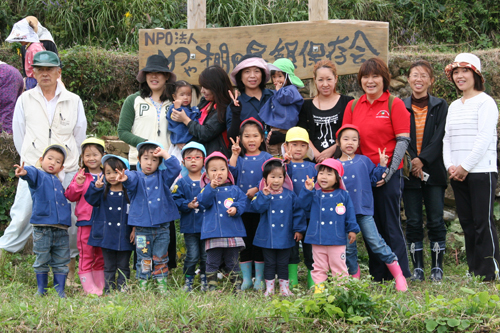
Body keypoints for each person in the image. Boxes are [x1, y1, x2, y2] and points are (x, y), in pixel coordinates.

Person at [2, 51, 87, 287]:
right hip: (33, 170)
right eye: (40, 69)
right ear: (34, 72)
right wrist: (33, 160)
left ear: (59, 72)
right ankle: (3, 260)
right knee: (22, 215)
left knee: (68, 219)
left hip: (66, 170)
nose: (45, 73)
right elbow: (20, 135)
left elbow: (79, 135)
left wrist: (68, 162)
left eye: (50, 69)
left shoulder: (73, 100)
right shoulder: (25, 99)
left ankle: (69, 270)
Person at [342, 57, 412, 282]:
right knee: (370, 225)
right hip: (362, 176)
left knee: (390, 222)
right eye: (365, 77)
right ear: (360, 80)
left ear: (385, 79)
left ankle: (400, 272)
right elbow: (347, 141)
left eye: (375, 76)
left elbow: (403, 141)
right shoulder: (353, 106)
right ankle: (378, 274)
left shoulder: (394, 104)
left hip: (389, 173)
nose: (370, 81)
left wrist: (388, 172)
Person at [117, 51, 177, 270]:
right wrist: (146, 145)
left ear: (166, 77)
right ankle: (140, 266)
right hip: (139, 164)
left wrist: (168, 154)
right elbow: (122, 131)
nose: (155, 77)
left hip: (166, 165)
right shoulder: (134, 100)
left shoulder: (174, 102)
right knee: (138, 214)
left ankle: (165, 267)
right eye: (150, 73)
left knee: (164, 212)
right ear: (144, 76)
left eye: (159, 73)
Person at [443, 53, 500, 281]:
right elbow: (447, 139)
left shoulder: (486, 102)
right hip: (457, 173)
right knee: (466, 222)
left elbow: (484, 138)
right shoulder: (454, 106)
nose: (460, 76)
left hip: (481, 171)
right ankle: (474, 270)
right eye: (456, 72)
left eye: (464, 71)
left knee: (482, 221)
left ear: (476, 75)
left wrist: (465, 166)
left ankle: (490, 271)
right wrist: (450, 166)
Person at [336, 124, 408, 291]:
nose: (350, 142)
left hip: (364, 211)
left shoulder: (364, 160)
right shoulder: (334, 164)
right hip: (344, 215)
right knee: (349, 249)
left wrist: (382, 166)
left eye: (354, 139)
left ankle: (399, 275)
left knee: (376, 243)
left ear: (359, 143)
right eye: (345, 139)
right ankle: (354, 278)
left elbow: (375, 179)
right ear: (338, 143)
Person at [402, 60, 448, 282]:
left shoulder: (440, 106)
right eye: (414, 75)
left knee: (436, 219)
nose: (418, 79)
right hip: (409, 172)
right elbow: (400, 136)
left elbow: (440, 137)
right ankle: (418, 267)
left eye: (423, 75)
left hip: (434, 171)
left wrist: (422, 160)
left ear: (431, 80)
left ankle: (437, 267)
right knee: (412, 220)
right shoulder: (400, 105)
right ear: (408, 79)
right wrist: (413, 162)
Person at [114, 141, 181, 291]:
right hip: (142, 229)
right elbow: (130, 179)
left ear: (159, 162)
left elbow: (176, 168)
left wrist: (164, 154)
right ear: (138, 160)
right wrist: (125, 179)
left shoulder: (163, 177)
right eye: (145, 158)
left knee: (161, 256)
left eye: (154, 159)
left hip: (162, 228)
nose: (149, 163)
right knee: (144, 257)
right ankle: (143, 284)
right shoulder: (135, 177)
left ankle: (161, 284)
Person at [13, 144, 71, 298]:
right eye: (50, 158)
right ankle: (41, 289)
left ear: (61, 167)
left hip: (61, 229)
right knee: (42, 258)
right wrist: (24, 172)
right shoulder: (38, 175)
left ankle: (60, 290)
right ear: (41, 159)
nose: (53, 162)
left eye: (58, 161)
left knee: (61, 259)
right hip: (43, 227)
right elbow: (30, 174)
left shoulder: (59, 182)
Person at [299, 158, 359, 294]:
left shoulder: (343, 195)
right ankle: (319, 292)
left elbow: (350, 213)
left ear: (337, 178)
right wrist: (307, 190)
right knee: (319, 267)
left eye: (329, 174)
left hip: (336, 239)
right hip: (317, 239)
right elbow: (302, 205)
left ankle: (341, 292)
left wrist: (352, 230)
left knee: (339, 266)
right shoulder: (314, 194)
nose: (324, 177)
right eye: (321, 173)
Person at [228, 118, 273, 290]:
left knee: (259, 242)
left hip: (261, 208)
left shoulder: (267, 157)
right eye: (247, 136)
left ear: (262, 138)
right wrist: (234, 154)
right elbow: (231, 174)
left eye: (255, 136)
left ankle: (259, 279)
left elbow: (274, 178)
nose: (251, 140)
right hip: (243, 209)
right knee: (244, 243)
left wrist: (257, 189)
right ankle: (247, 279)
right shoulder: (239, 158)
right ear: (240, 138)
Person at [251, 158, 306, 296]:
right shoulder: (262, 194)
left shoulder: (290, 195)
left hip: (285, 235)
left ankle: (284, 288)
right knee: (269, 263)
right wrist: (264, 196)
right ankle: (269, 288)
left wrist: (298, 229)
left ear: (285, 178)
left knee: (283, 263)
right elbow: (257, 208)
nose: (276, 181)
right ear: (265, 178)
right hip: (267, 236)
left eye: (280, 177)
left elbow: (298, 212)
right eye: (272, 177)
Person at [85, 155, 135, 294]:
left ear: (124, 172)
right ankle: (108, 289)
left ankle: (123, 288)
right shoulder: (102, 191)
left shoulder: (129, 193)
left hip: (124, 234)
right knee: (109, 265)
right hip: (106, 234)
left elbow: (135, 213)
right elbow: (91, 200)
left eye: (116, 172)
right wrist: (96, 188)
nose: (112, 176)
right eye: (108, 173)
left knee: (124, 264)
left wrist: (134, 229)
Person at [197, 152, 247, 292]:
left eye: (222, 169)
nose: (218, 173)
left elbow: (243, 202)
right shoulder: (206, 189)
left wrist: (236, 209)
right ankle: (212, 287)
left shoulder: (234, 189)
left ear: (228, 171)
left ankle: (237, 286)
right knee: (212, 261)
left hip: (232, 232)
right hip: (213, 233)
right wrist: (211, 188)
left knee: (232, 261)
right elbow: (203, 203)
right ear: (206, 175)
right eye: (213, 170)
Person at [65, 138, 106, 295]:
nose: (91, 158)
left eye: (95, 154)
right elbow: (70, 195)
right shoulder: (80, 175)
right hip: (85, 221)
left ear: (103, 155)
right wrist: (79, 184)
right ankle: (88, 287)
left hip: (102, 221)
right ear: (82, 158)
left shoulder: (107, 175)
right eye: (87, 155)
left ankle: (99, 284)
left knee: (100, 254)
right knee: (86, 254)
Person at [297, 60, 354, 163]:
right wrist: (317, 155)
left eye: (329, 79)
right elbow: (302, 133)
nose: (325, 84)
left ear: (336, 79)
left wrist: (331, 151)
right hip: (313, 161)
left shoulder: (347, 102)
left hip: (342, 160)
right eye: (320, 80)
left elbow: (351, 131)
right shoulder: (306, 105)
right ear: (315, 80)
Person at [169, 65, 231, 157]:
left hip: (211, 158)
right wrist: (178, 140)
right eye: (202, 86)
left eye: (205, 87)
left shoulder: (224, 108)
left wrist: (185, 119)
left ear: (216, 87)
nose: (202, 90)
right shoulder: (205, 102)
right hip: (195, 155)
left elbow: (206, 133)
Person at [282, 127, 316, 289]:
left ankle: (313, 279)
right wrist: (284, 163)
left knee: (311, 249)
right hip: (289, 214)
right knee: (291, 248)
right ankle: (292, 280)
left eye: (303, 145)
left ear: (308, 148)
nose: (298, 148)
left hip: (310, 215)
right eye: (294, 144)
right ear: (286, 146)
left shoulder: (312, 167)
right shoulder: (284, 166)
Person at [171, 142, 208, 292]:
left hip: (207, 227)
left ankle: (206, 280)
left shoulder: (209, 182)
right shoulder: (181, 183)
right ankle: (188, 281)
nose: (193, 160)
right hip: (190, 227)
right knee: (192, 255)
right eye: (189, 157)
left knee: (206, 256)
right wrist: (188, 205)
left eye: (197, 157)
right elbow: (175, 201)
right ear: (183, 162)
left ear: (204, 160)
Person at [261, 58, 305, 156]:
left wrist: (279, 90)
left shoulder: (291, 90)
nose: (276, 80)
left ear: (287, 77)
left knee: (285, 152)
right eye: (274, 77)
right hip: (275, 128)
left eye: (280, 76)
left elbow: (285, 99)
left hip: (286, 128)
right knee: (272, 151)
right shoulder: (279, 91)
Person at [226, 54, 273, 141]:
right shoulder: (236, 105)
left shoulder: (275, 96)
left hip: (277, 151)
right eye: (247, 71)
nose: (252, 76)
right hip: (249, 153)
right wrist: (236, 114)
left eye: (257, 71)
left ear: (262, 74)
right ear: (240, 76)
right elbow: (232, 138)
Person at [5, 18, 46, 90]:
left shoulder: (34, 48)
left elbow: (41, 66)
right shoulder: (30, 47)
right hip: (31, 79)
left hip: (35, 80)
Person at [166, 80, 201, 161]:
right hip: (180, 145)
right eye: (182, 95)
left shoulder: (189, 109)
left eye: (188, 94)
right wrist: (177, 107)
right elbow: (179, 116)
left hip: (190, 145)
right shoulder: (173, 109)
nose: (186, 97)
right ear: (174, 97)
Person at [0, 61, 23, 134]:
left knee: (6, 112)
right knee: (10, 111)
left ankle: (6, 139)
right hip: (13, 73)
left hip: (6, 75)